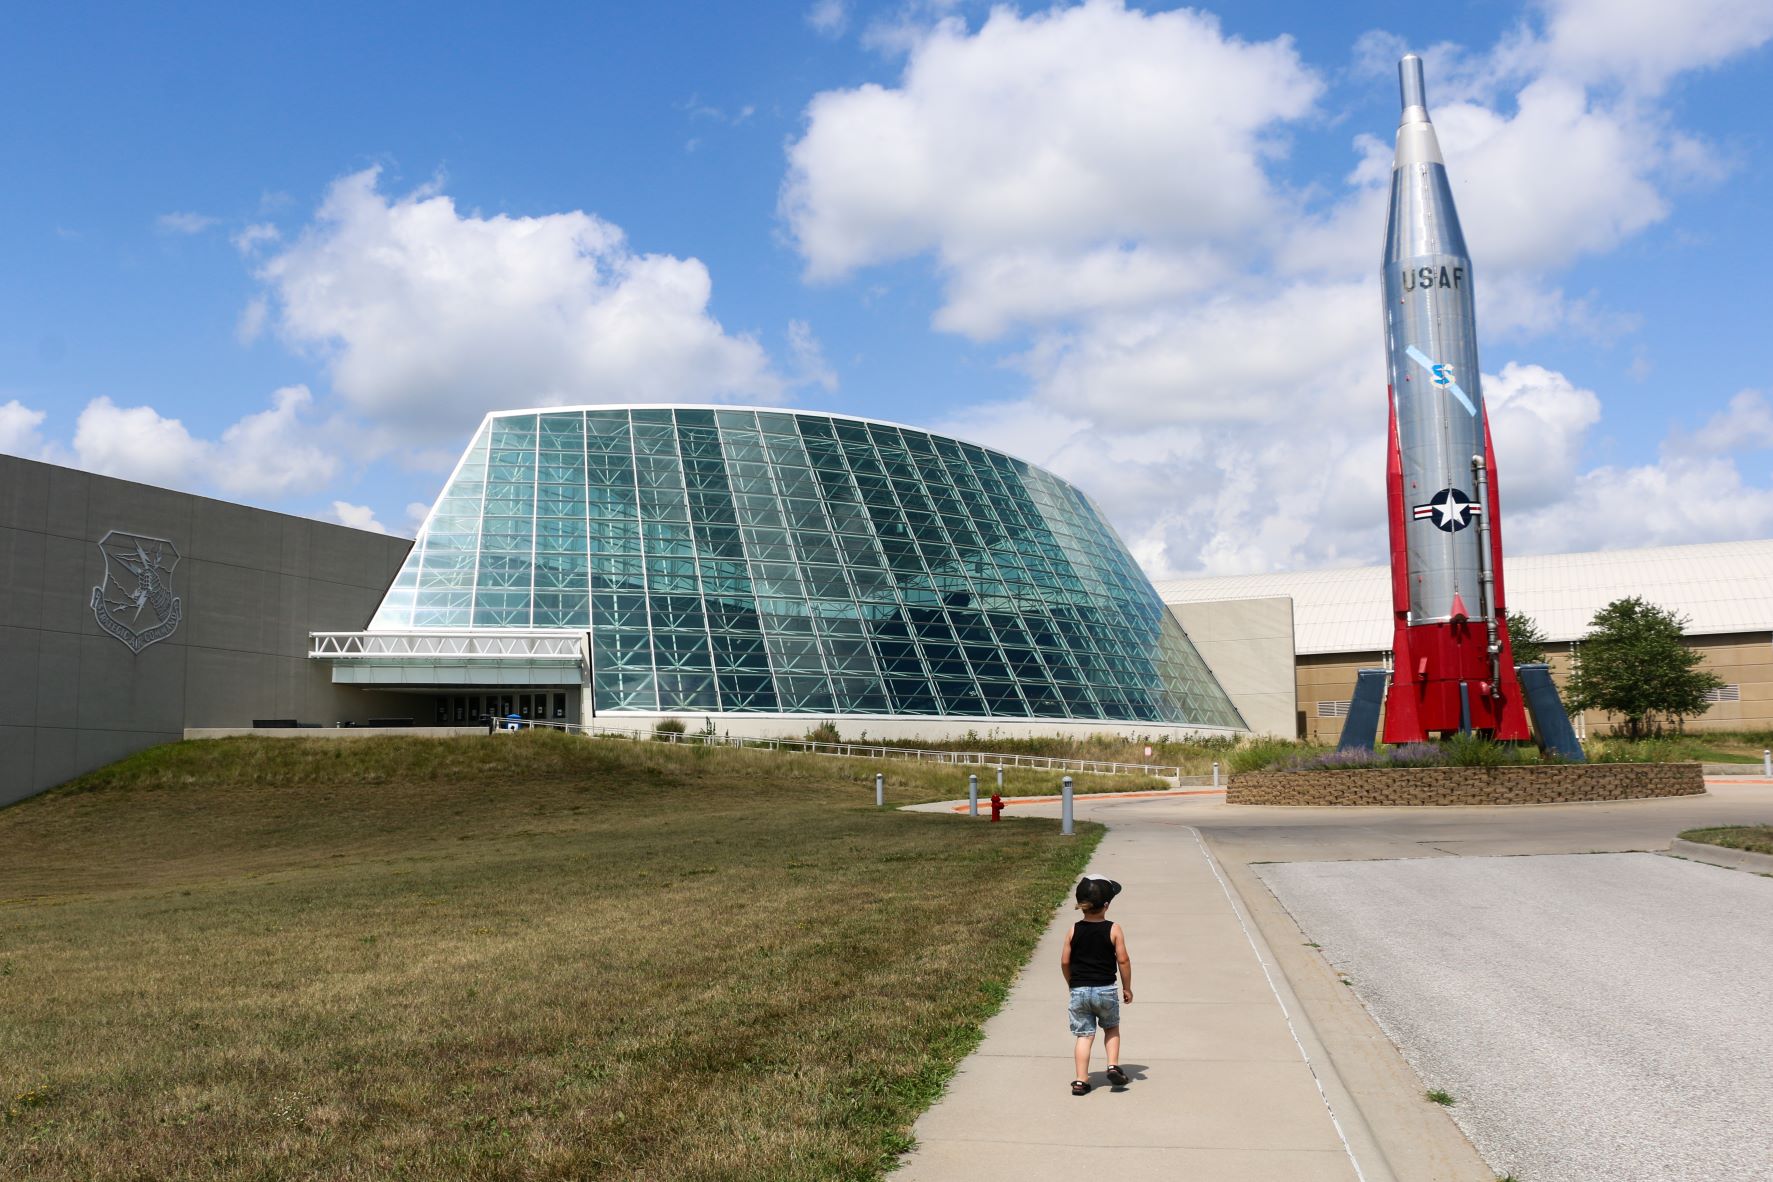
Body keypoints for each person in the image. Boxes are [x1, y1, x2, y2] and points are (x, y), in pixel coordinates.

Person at [1059, 873, 1132, 1095]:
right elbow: (1123, 960)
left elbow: (1064, 961)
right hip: (1105, 990)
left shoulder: (1074, 929)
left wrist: (1071, 982)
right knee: (1111, 1027)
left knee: (1084, 1035)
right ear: (1106, 905)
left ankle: (1081, 1080)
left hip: (1079, 990)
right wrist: (1127, 987)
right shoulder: (1114, 929)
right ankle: (1112, 1065)